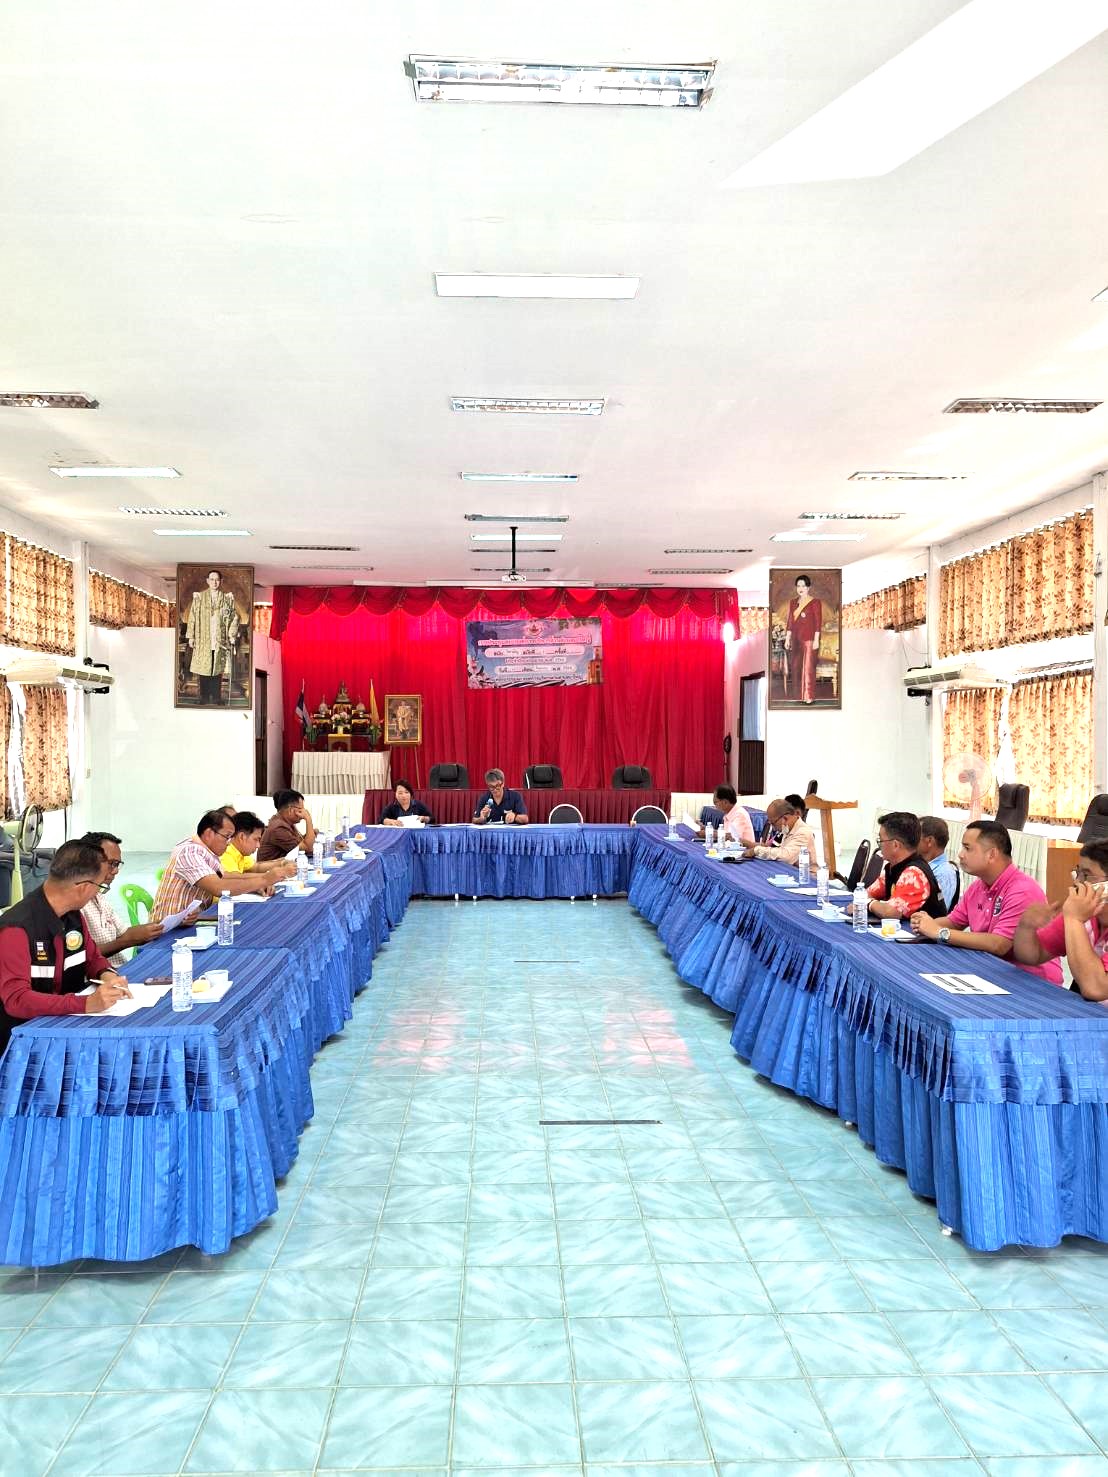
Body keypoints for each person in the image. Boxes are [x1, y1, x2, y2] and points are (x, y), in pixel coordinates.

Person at [0, 841, 132, 1057]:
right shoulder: (16, 929)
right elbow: (17, 1000)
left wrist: (108, 975)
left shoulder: (73, 916)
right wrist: (85, 1003)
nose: (97, 894)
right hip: (24, 1044)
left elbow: (92, 958)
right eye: (100, 887)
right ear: (84, 887)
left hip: (66, 1027)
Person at [910, 820, 1062, 982]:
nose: (960, 854)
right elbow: (954, 922)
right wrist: (924, 923)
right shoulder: (978, 886)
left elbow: (999, 944)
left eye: (967, 848)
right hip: (995, 970)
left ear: (991, 854)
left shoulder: (1022, 890)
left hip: (1031, 981)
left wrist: (940, 932)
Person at [1011, 838, 1108, 998]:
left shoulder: (1076, 915)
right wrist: (1026, 927)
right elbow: (1032, 955)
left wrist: (1074, 920)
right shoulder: (1084, 914)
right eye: (1078, 873)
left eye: (1086, 875)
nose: (1077, 882)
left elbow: (1096, 990)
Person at [151, 809, 274, 923]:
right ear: (209, 833)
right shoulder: (189, 851)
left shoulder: (209, 853)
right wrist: (264, 880)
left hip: (190, 921)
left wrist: (257, 884)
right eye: (227, 837)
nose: (229, 843)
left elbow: (224, 877)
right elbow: (218, 887)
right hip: (167, 929)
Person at [78, 830, 164, 969]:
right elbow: (80, 956)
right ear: (87, 862)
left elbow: (124, 933)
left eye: (117, 864)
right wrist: (127, 941)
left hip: (118, 969)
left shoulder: (99, 895)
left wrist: (168, 923)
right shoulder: (76, 904)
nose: (116, 870)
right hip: (102, 975)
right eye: (111, 863)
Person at [850, 811, 943, 921]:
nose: (879, 846)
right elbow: (867, 893)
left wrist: (868, 903)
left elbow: (890, 912)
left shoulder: (914, 873)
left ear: (895, 845)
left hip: (926, 932)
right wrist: (867, 901)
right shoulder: (894, 867)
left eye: (881, 841)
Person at [184, 569, 241, 705]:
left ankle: (216, 697)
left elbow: (234, 617)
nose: (214, 582)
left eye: (217, 580)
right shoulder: (199, 597)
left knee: (217, 669)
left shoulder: (227, 599)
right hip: (203, 638)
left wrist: (231, 635)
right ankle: (203, 697)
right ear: (207, 581)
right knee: (204, 669)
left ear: (221, 581)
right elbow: (192, 617)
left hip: (219, 639)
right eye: (212, 579)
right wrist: (191, 636)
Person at [222, 812, 297, 879]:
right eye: (256, 839)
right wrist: (275, 874)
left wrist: (282, 863)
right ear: (242, 837)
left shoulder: (240, 853)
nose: (258, 845)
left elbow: (257, 867)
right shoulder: (226, 852)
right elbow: (235, 880)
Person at [784, 574, 822, 704]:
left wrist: (816, 640)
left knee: (808, 668)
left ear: (808, 587)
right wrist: (787, 638)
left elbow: (818, 622)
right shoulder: (793, 602)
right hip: (796, 639)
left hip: (809, 639)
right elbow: (790, 622)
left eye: (803, 586)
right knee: (796, 667)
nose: (800, 588)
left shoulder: (815, 602)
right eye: (798, 586)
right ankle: (798, 696)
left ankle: (808, 696)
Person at [745, 797, 816, 865]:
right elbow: (770, 848)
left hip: (803, 872)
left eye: (773, 823)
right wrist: (748, 845)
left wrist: (757, 850)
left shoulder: (803, 832)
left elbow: (787, 857)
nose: (774, 828)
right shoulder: (785, 829)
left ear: (785, 818)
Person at [257, 789, 318, 863]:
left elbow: (300, 843)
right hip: (271, 869)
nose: (304, 812)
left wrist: (310, 834)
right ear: (290, 810)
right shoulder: (278, 828)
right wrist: (308, 819)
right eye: (300, 809)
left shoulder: (285, 822)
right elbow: (308, 848)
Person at [917, 815, 959, 912]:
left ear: (929, 841)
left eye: (916, 836)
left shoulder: (944, 873)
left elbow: (937, 913)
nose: (911, 841)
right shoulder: (920, 864)